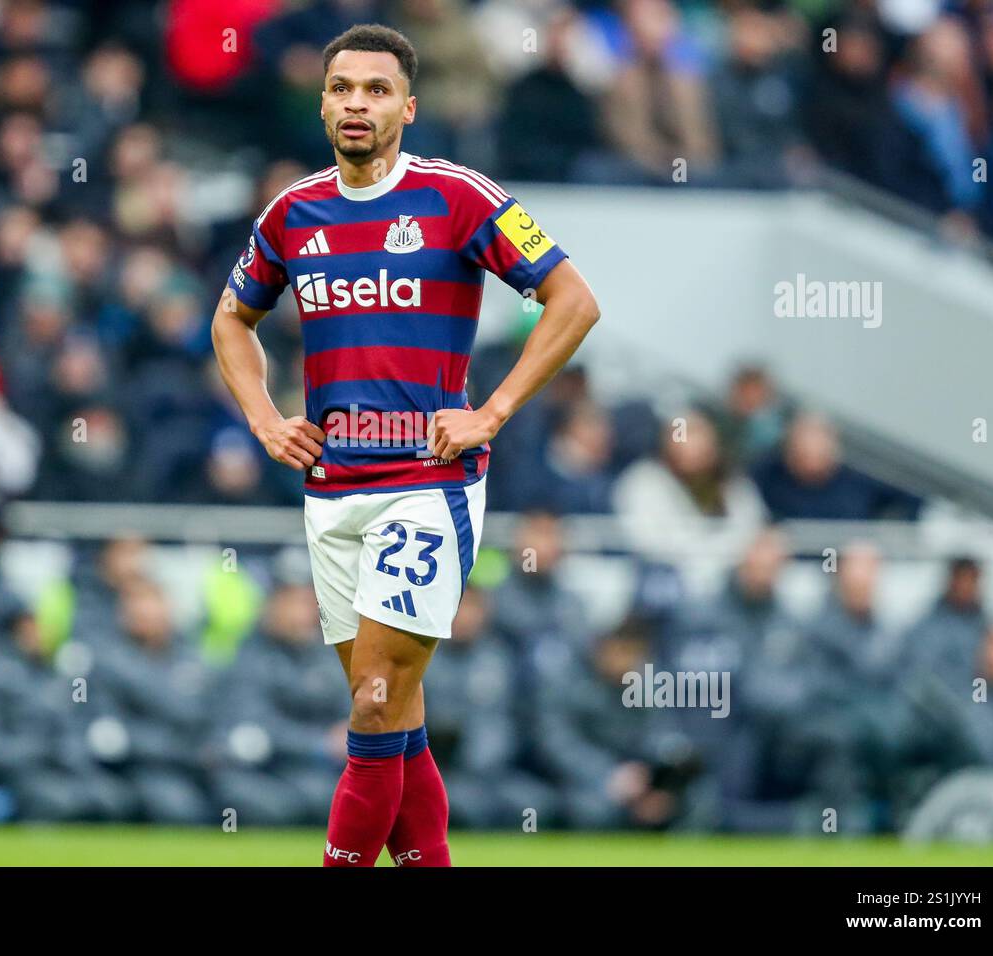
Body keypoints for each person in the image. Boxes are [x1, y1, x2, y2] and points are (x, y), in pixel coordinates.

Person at [210, 24, 600, 866]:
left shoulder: (460, 196)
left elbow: (572, 300)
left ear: (408, 107)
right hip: (331, 489)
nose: (358, 104)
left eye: (376, 90)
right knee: (396, 711)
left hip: (426, 486)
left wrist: (489, 413)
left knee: (375, 708)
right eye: (343, 89)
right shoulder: (292, 212)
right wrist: (265, 419)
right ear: (322, 104)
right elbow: (232, 319)